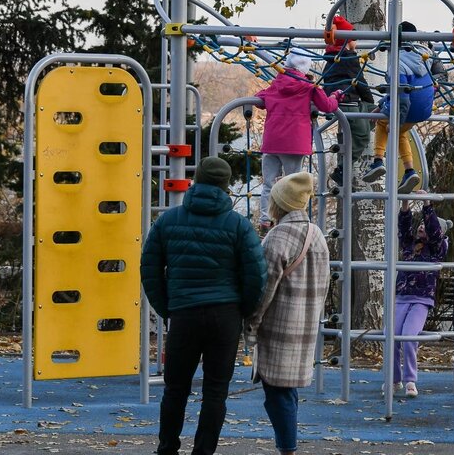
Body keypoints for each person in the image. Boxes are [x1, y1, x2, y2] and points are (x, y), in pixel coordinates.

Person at [140, 156, 267, 455]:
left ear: (196, 179)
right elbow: (256, 275)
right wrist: (243, 310)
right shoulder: (238, 225)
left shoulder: (168, 221)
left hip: (184, 313)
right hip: (224, 315)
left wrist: (167, 307)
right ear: (225, 186)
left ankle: (167, 448)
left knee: (175, 389)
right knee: (215, 391)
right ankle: (203, 451)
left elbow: (149, 268)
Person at [247, 172, 331, 455]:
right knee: (287, 391)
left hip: (279, 324)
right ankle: (288, 446)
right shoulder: (316, 234)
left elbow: (264, 288)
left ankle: (288, 449)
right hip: (305, 322)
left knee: (277, 393)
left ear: (278, 203)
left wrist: (251, 325)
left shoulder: (277, 236)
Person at [257, 50, 343, 231]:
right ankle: (290, 219)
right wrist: (336, 96)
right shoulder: (308, 87)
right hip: (294, 143)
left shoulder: (275, 84)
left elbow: (260, 99)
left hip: (272, 142)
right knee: (292, 183)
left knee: (269, 182)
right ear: (305, 67)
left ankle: (265, 218)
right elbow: (327, 106)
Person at [363, 22, 440, 192]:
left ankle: (377, 161)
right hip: (424, 109)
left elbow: (403, 98)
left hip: (410, 107)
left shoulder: (397, 64)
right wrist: (381, 106)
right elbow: (398, 92)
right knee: (400, 133)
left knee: (383, 124)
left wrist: (396, 122)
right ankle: (410, 171)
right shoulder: (424, 57)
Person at [392, 188, 451, 398]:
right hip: (401, 297)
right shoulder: (409, 246)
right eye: (421, 225)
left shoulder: (437, 247)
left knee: (408, 337)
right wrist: (406, 205)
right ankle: (394, 380)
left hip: (421, 300)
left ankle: (410, 380)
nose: (421, 228)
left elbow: (435, 232)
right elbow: (403, 227)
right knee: (392, 337)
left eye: (425, 226)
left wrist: (427, 204)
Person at [320, 15, 375, 187]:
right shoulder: (348, 58)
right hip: (348, 101)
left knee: (366, 118)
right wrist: (369, 99)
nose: (356, 44)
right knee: (362, 134)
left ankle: (345, 154)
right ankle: (342, 169)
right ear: (347, 42)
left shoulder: (330, 58)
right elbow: (360, 81)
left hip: (337, 100)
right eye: (354, 40)